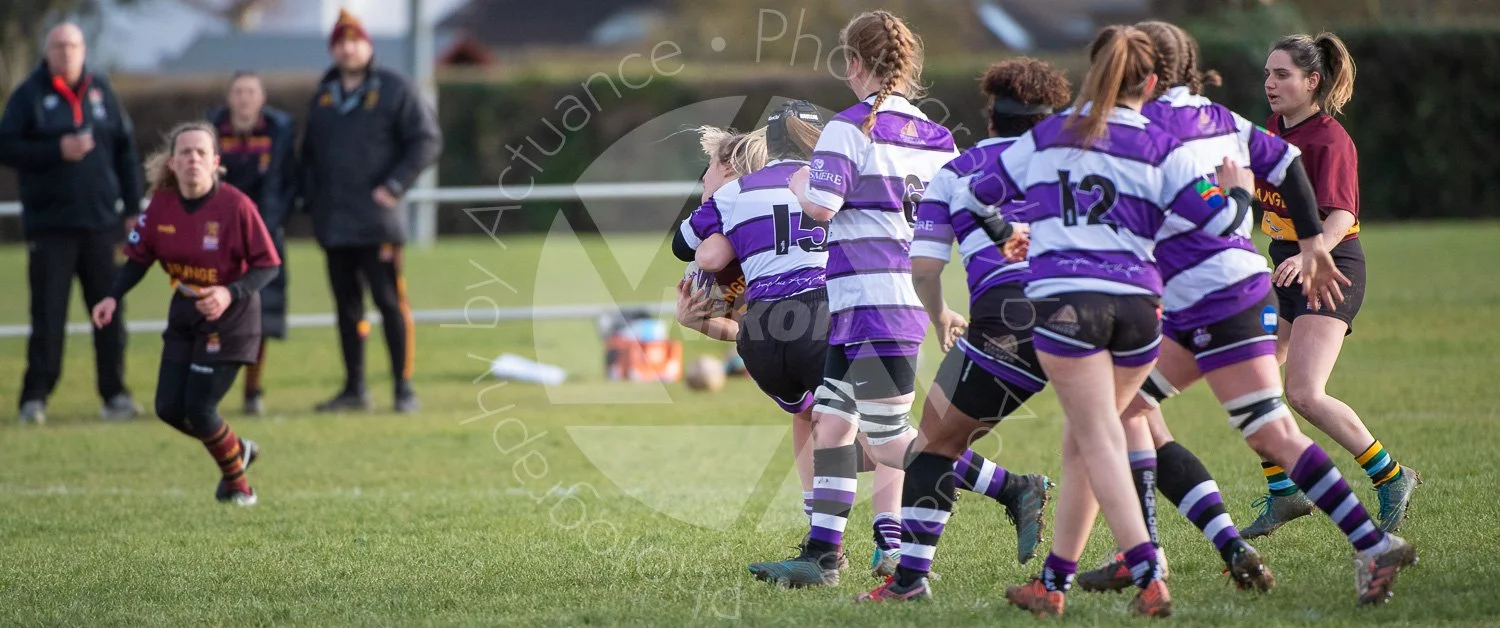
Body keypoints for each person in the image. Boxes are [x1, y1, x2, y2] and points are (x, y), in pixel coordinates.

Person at [965, 25, 1326, 617]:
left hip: (1068, 305)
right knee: (1092, 436)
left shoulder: (1055, 131)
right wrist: (1239, 197)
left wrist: (1009, 235)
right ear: (1153, 81)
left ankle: (1148, 571)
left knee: (1101, 436)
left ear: (1092, 72)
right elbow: (1212, 222)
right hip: (1141, 308)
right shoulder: (1159, 142)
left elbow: (982, 194)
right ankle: (1055, 581)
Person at [1074, 20, 1383, 597]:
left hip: (1211, 298)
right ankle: (1149, 555)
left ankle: (1145, 558)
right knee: (1139, 412)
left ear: (1141, 72)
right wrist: (1312, 243)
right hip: (1232, 291)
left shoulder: (1142, 128)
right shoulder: (1221, 119)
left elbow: (1192, 219)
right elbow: (1287, 164)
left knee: (1244, 425)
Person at [747, 11, 960, 588]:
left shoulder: (851, 127)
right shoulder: (939, 139)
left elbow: (819, 207)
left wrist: (795, 181)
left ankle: (1008, 485)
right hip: (897, 299)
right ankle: (821, 558)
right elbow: (949, 226)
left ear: (854, 64)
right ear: (909, 65)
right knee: (833, 422)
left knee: (891, 441)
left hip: (868, 299)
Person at [856, 57, 1069, 603]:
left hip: (1011, 320)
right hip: (1100, 314)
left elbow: (924, 268)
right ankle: (1155, 562)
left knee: (933, 447)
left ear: (991, 112)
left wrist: (940, 312)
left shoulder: (958, 172)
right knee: (1126, 437)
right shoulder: (1079, 163)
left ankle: (909, 583)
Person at [1243, 32, 1421, 538]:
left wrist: (1308, 255)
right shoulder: (1274, 128)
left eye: (1282, 74)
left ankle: (1392, 477)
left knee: (1303, 392)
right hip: (1285, 269)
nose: (1270, 84)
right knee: (1251, 379)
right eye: (1267, 73)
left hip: (1329, 270)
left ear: (1312, 80)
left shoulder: (1329, 139)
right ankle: (1285, 493)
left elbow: (1342, 214)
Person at [90, 122, 280, 505]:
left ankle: (241, 488)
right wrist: (111, 297)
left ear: (215, 162)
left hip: (231, 318)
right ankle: (236, 449)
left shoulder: (237, 206)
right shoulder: (161, 204)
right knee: (169, 409)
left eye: (200, 152)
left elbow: (268, 264)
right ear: (172, 163)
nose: (192, 158)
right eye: (184, 153)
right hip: (185, 312)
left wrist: (229, 293)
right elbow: (137, 259)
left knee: (199, 407)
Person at [0, 22, 143, 424]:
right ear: (48, 52)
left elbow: (125, 151)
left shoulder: (103, 90)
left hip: (101, 224)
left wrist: (132, 208)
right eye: (59, 46)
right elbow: (7, 145)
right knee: (48, 314)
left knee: (110, 312)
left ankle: (114, 394)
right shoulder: (29, 94)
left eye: (73, 46)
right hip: (51, 226)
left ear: (84, 50)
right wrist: (56, 149)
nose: (66, 53)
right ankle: (35, 397)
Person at [301, 8, 442, 413]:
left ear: (368, 46)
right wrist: (312, 201)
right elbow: (308, 155)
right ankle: (354, 389)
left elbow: (427, 140)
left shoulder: (396, 89)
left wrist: (395, 185)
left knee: (389, 301)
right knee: (346, 307)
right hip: (334, 221)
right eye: (340, 43)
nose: (348, 49)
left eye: (354, 41)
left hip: (377, 221)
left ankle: (403, 387)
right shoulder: (323, 96)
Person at [208, 71, 298, 416]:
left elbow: (288, 182)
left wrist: (264, 224)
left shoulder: (279, 132)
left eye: (251, 92)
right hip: (219, 238)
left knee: (261, 318)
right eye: (238, 91)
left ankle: (253, 391)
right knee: (213, 315)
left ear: (261, 99)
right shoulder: (211, 132)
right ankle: (209, 391)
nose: (244, 98)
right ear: (229, 98)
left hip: (264, 236)